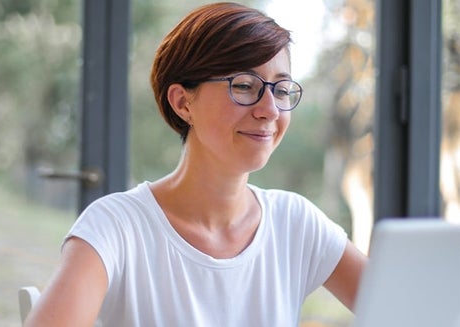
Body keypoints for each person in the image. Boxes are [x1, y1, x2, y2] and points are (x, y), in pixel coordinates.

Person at [24, 2, 367, 326]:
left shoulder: (295, 222)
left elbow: (407, 309)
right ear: (183, 103)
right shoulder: (116, 226)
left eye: (280, 90)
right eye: (245, 86)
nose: (270, 110)